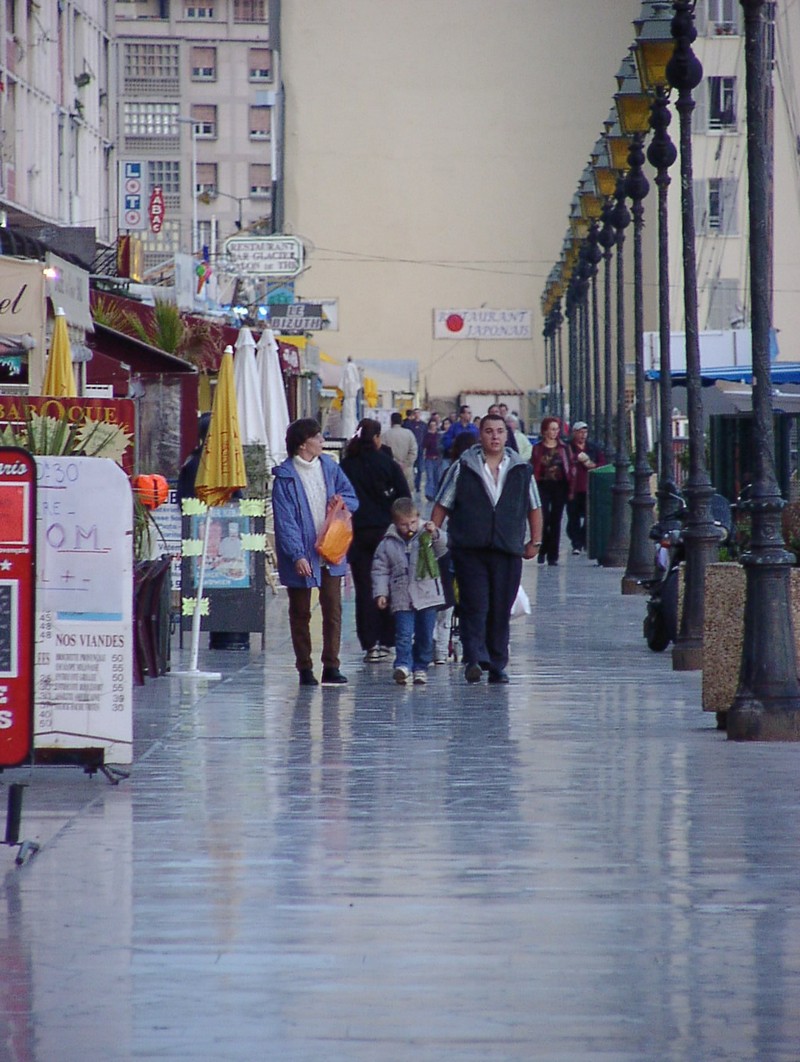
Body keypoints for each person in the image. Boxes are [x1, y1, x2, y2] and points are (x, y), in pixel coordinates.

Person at [432, 413, 542, 685]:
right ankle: (473, 658)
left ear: (507, 435)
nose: (495, 436)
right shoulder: (463, 466)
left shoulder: (520, 468)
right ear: (480, 435)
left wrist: (535, 541)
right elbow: (442, 503)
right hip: (470, 547)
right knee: (474, 604)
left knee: (500, 608)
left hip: (507, 548)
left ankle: (497, 663)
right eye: (489, 431)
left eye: (500, 431)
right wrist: (431, 536)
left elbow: (534, 507)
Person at [272, 418, 359, 686]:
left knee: (333, 607)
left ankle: (331, 665)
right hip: (301, 553)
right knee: (300, 611)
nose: (322, 441)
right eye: (317, 437)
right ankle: (304, 668)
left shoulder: (330, 467)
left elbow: (352, 497)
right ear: (302, 444)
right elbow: (284, 521)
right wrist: (297, 554)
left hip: (331, 548)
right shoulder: (285, 478)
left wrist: (342, 501)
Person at [340, 417, 411, 662]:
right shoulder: (387, 464)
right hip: (386, 532)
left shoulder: (347, 465)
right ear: (378, 438)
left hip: (357, 533)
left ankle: (370, 643)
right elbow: (405, 496)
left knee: (364, 588)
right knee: (390, 585)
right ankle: (389, 639)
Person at [372, 497, 449, 685]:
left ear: (418, 518)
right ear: (395, 523)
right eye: (404, 524)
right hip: (401, 595)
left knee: (425, 633)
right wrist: (381, 593)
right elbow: (380, 569)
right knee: (404, 633)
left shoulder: (427, 535)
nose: (410, 528)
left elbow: (444, 548)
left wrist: (436, 533)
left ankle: (421, 667)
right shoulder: (388, 543)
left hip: (427, 594)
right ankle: (403, 664)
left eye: (413, 522)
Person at [530, 416, 571, 566]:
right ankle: (543, 549)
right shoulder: (538, 448)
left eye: (557, 429)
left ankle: (552, 555)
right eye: (552, 429)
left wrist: (570, 488)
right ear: (545, 431)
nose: (555, 432)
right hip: (542, 485)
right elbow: (534, 466)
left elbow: (569, 467)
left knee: (556, 520)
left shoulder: (563, 448)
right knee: (544, 519)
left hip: (560, 486)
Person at [567, 420, 605, 555]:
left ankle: (582, 539)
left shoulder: (593, 448)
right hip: (573, 488)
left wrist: (590, 463)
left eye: (585, 432)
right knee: (573, 517)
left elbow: (602, 463)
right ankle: (576, 543)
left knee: (589, 516)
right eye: (580, 432)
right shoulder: (568, 447)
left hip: (589, 488)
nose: (583, 435)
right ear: (574, 433)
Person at [383, 411, 418, 491]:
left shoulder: (385, 435)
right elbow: (414, 451)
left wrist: (394, 463)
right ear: (401, 421)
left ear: (391, 421)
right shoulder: (409, 434)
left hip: (391, 469)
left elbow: (383, 453)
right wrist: (406, 463)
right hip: (406, 469)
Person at [402, 408, 427, 492]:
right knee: (410, 467)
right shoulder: (409, 424)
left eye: (418, 413)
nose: (417, 415)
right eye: (415, 413)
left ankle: (417, 485)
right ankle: (410, 484)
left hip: (420, 449)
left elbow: (426, 436)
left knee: (420, 469)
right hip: (411, 449)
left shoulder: (423, 425)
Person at [421, 416, 443, 501]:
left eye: (434, 425)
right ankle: (430, 494)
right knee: (430, 477)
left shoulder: (439, 435)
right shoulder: (427, 435)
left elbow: (441, 446)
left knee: (437, 477)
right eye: (431, 425)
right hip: (429, 458)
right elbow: (424, 445)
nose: (433, 427)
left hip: (438, 458)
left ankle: (437, 494)